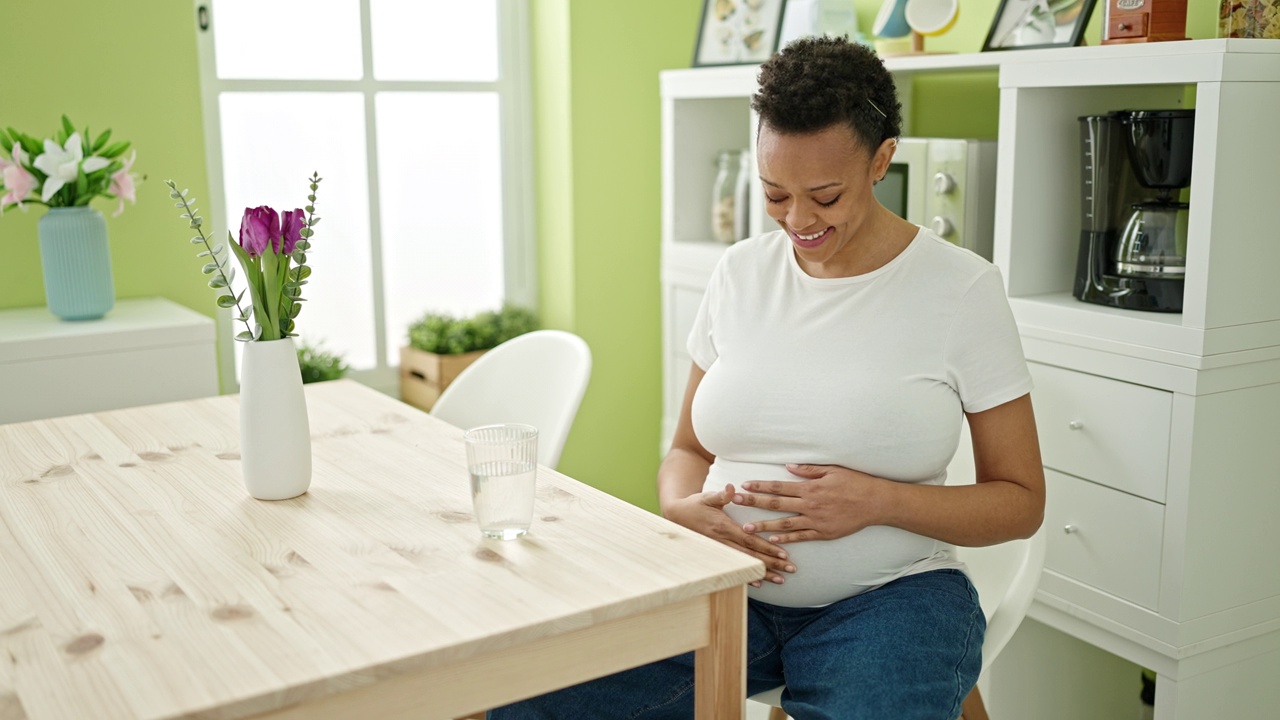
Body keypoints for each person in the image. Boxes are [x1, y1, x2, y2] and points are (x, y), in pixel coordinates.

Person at [490, 35, 1044, 720]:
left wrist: (878, 500)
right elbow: (688, 451)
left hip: (892, 599)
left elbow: (1021, 501)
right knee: (527, 694)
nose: (799, 220)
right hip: (725, 587)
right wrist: (679, 507)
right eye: (776, 194)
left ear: (881, 160)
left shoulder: (960, 288)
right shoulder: (740, 273)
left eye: (825, 196)